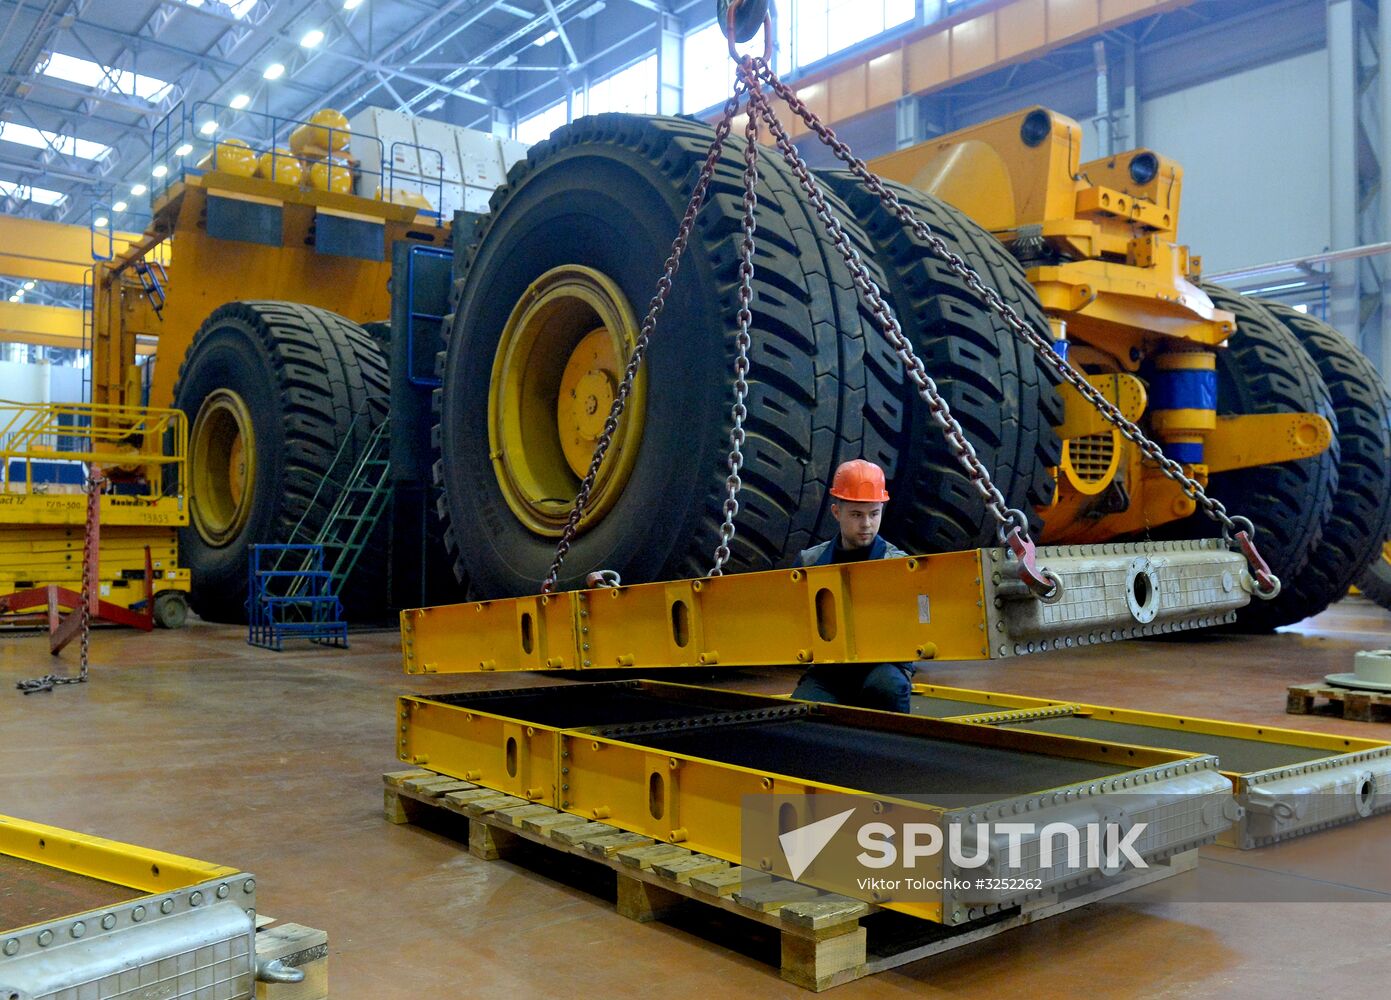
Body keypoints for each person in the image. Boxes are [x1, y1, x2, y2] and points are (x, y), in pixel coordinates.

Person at [790, 459, 913, 713]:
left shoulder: (898, 565)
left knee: (886, 689)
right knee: (802, 711)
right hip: (831, 669)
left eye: (874, 513)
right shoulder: (810, 563)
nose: (866, 523)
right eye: (857, 514)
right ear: (837, 512)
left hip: (884, 664)